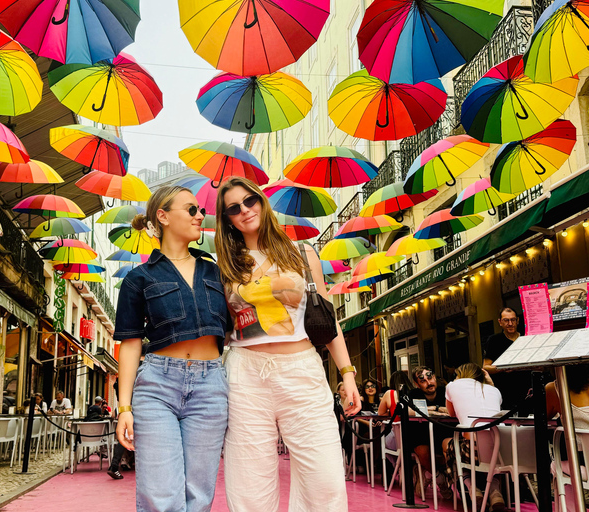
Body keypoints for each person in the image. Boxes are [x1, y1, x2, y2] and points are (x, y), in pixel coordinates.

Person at [215, 177, 360, 512]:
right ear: (228, 220)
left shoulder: (303, 253)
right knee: (249, 482)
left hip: (301, 369)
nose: (245, 211)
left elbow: (328, 318)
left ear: (262, 201)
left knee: (325, 480)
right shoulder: (225, 265)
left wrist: (347, 373)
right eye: (233, 209)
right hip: (245, 374)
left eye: (249, 201)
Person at [114, 186, 230, 512]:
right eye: (191, 210)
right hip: (157, 386)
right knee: (160, 494)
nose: (200, 215)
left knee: (199, 494)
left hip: (210, 386)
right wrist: (124, 408)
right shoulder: (140, 278)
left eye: (201, 211)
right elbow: (130, 343)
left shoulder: (218, 272)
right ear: (163, 216)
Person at [546, 363, 589, 512]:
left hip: (582, 468)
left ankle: (570, 509)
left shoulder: (554, 389)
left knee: (556, 466)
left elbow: (541, 418)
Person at [442, 363, 505, 511]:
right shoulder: (495, 390)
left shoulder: (452, 386)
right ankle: (495, 492)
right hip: (504, 449)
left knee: (448, 445)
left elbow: (451, 413)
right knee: (494, 451)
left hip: (473, 450)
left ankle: (471, 487)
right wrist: (491, 383)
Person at [409, 366, 452, 499]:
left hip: (443, 431)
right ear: (417, 384)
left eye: (430, 377)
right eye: (423, 381)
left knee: (450, 447)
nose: (429, 383)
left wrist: (427, 409)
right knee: (423, 451)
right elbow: (409, 411)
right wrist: (436, 408)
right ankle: (440, 479)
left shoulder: (445, 392)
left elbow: (453, 409)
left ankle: (428, 474)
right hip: (420, 433)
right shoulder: (413, 394)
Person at [482, 307, 532, 414]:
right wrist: (504, 368)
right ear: (500, 322)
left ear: (517, 320)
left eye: (513, 320)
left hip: (528, 390)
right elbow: (486, 367)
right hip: (505, 392)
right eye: (506, 320)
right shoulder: (494, 340)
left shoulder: (527, 338)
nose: (510, 323)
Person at [378, 371, 416, 467]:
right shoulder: (414, 393)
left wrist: (392, 411)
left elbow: (380, 413)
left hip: (397, 438)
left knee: (384, 443)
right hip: (414, 436)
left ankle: (397, 466)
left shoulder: (390, 393)